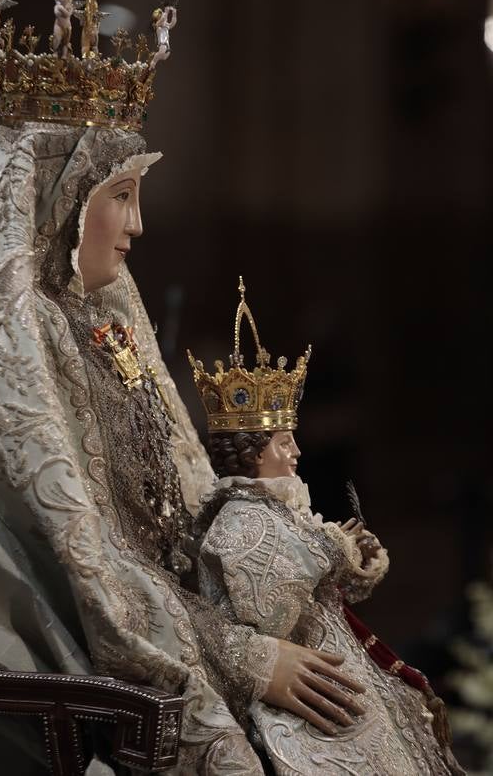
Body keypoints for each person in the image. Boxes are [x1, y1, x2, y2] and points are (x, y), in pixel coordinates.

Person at [0, 0, 368, 775]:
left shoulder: (99, 315)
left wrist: (281, 541)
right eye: (121, 196)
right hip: (64, 686)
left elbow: (177, 510)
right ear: (58, 199)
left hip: (164, 638)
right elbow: (79, 570)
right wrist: (238, 656)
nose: (138, 226)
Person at [190, 280, 465, 775]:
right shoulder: (237, 516)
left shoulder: (277, 507)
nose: (295, 452)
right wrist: (330, 545)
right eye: (282, 443)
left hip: (327, 658)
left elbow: (318, 578)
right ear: (252, 452)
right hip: (286, 681)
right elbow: (268, 610)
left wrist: (355, 559)